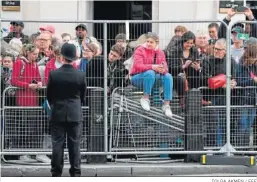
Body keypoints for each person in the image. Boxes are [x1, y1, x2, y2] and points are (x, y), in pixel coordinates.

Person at [46, 43, 86, 177]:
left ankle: (56, 172)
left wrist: (56, 104)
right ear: (74, 57)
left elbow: (49, 95)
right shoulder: (80, 75)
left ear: (62, 57)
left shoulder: (54, 74)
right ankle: (75, 171)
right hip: (75, 112)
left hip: (58, 111)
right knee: (74, 144)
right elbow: (82, 96)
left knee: (57, 143)